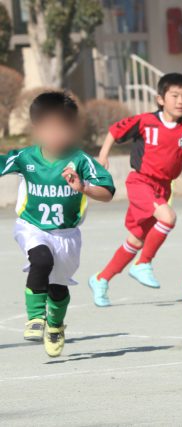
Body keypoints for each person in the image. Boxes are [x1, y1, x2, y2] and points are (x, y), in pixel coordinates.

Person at [1, 92, 114, 356]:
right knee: (41, 260)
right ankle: (35, 318)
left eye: (63, 128)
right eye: (49, 129)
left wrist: (83, 186)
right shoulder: (25, 158)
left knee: (58, 288)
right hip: (33, 227)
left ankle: (55, 324)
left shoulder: (80, 161)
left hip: (67, 235)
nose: (56, 135)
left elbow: (107, 193)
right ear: (37, 129)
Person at [89, 73, 182, 306]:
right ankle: (143, 264)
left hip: (163, 188)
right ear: (160, 99)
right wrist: (103, 154)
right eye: (175, 95)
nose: (181, 101)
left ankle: (101, 279)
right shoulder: (145, 121)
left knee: (136, 239)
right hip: (140, 182)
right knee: (168, 217)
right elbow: (114, 131)